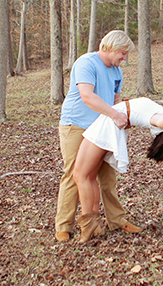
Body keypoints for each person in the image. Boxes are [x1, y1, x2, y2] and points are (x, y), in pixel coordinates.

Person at [73, 97, 163, 243]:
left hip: (106, 127)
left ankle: (88, 223)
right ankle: (94, 224)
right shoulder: (161, 114)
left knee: (80, 175)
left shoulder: (160, 121)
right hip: (110, 125)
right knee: (89, 177)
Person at [55, 30, 138, 242]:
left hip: (101, 127)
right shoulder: (86, 63)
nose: (124, 58)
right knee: (75, 174)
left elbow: (116, 100)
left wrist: (126, 116)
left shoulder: (117, 71)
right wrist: (114, 115)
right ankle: (64, 226)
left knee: (107, 176)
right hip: (76, 125)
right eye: (122, 52)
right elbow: (87, 96)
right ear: (110, 47)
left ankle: (117, 220)